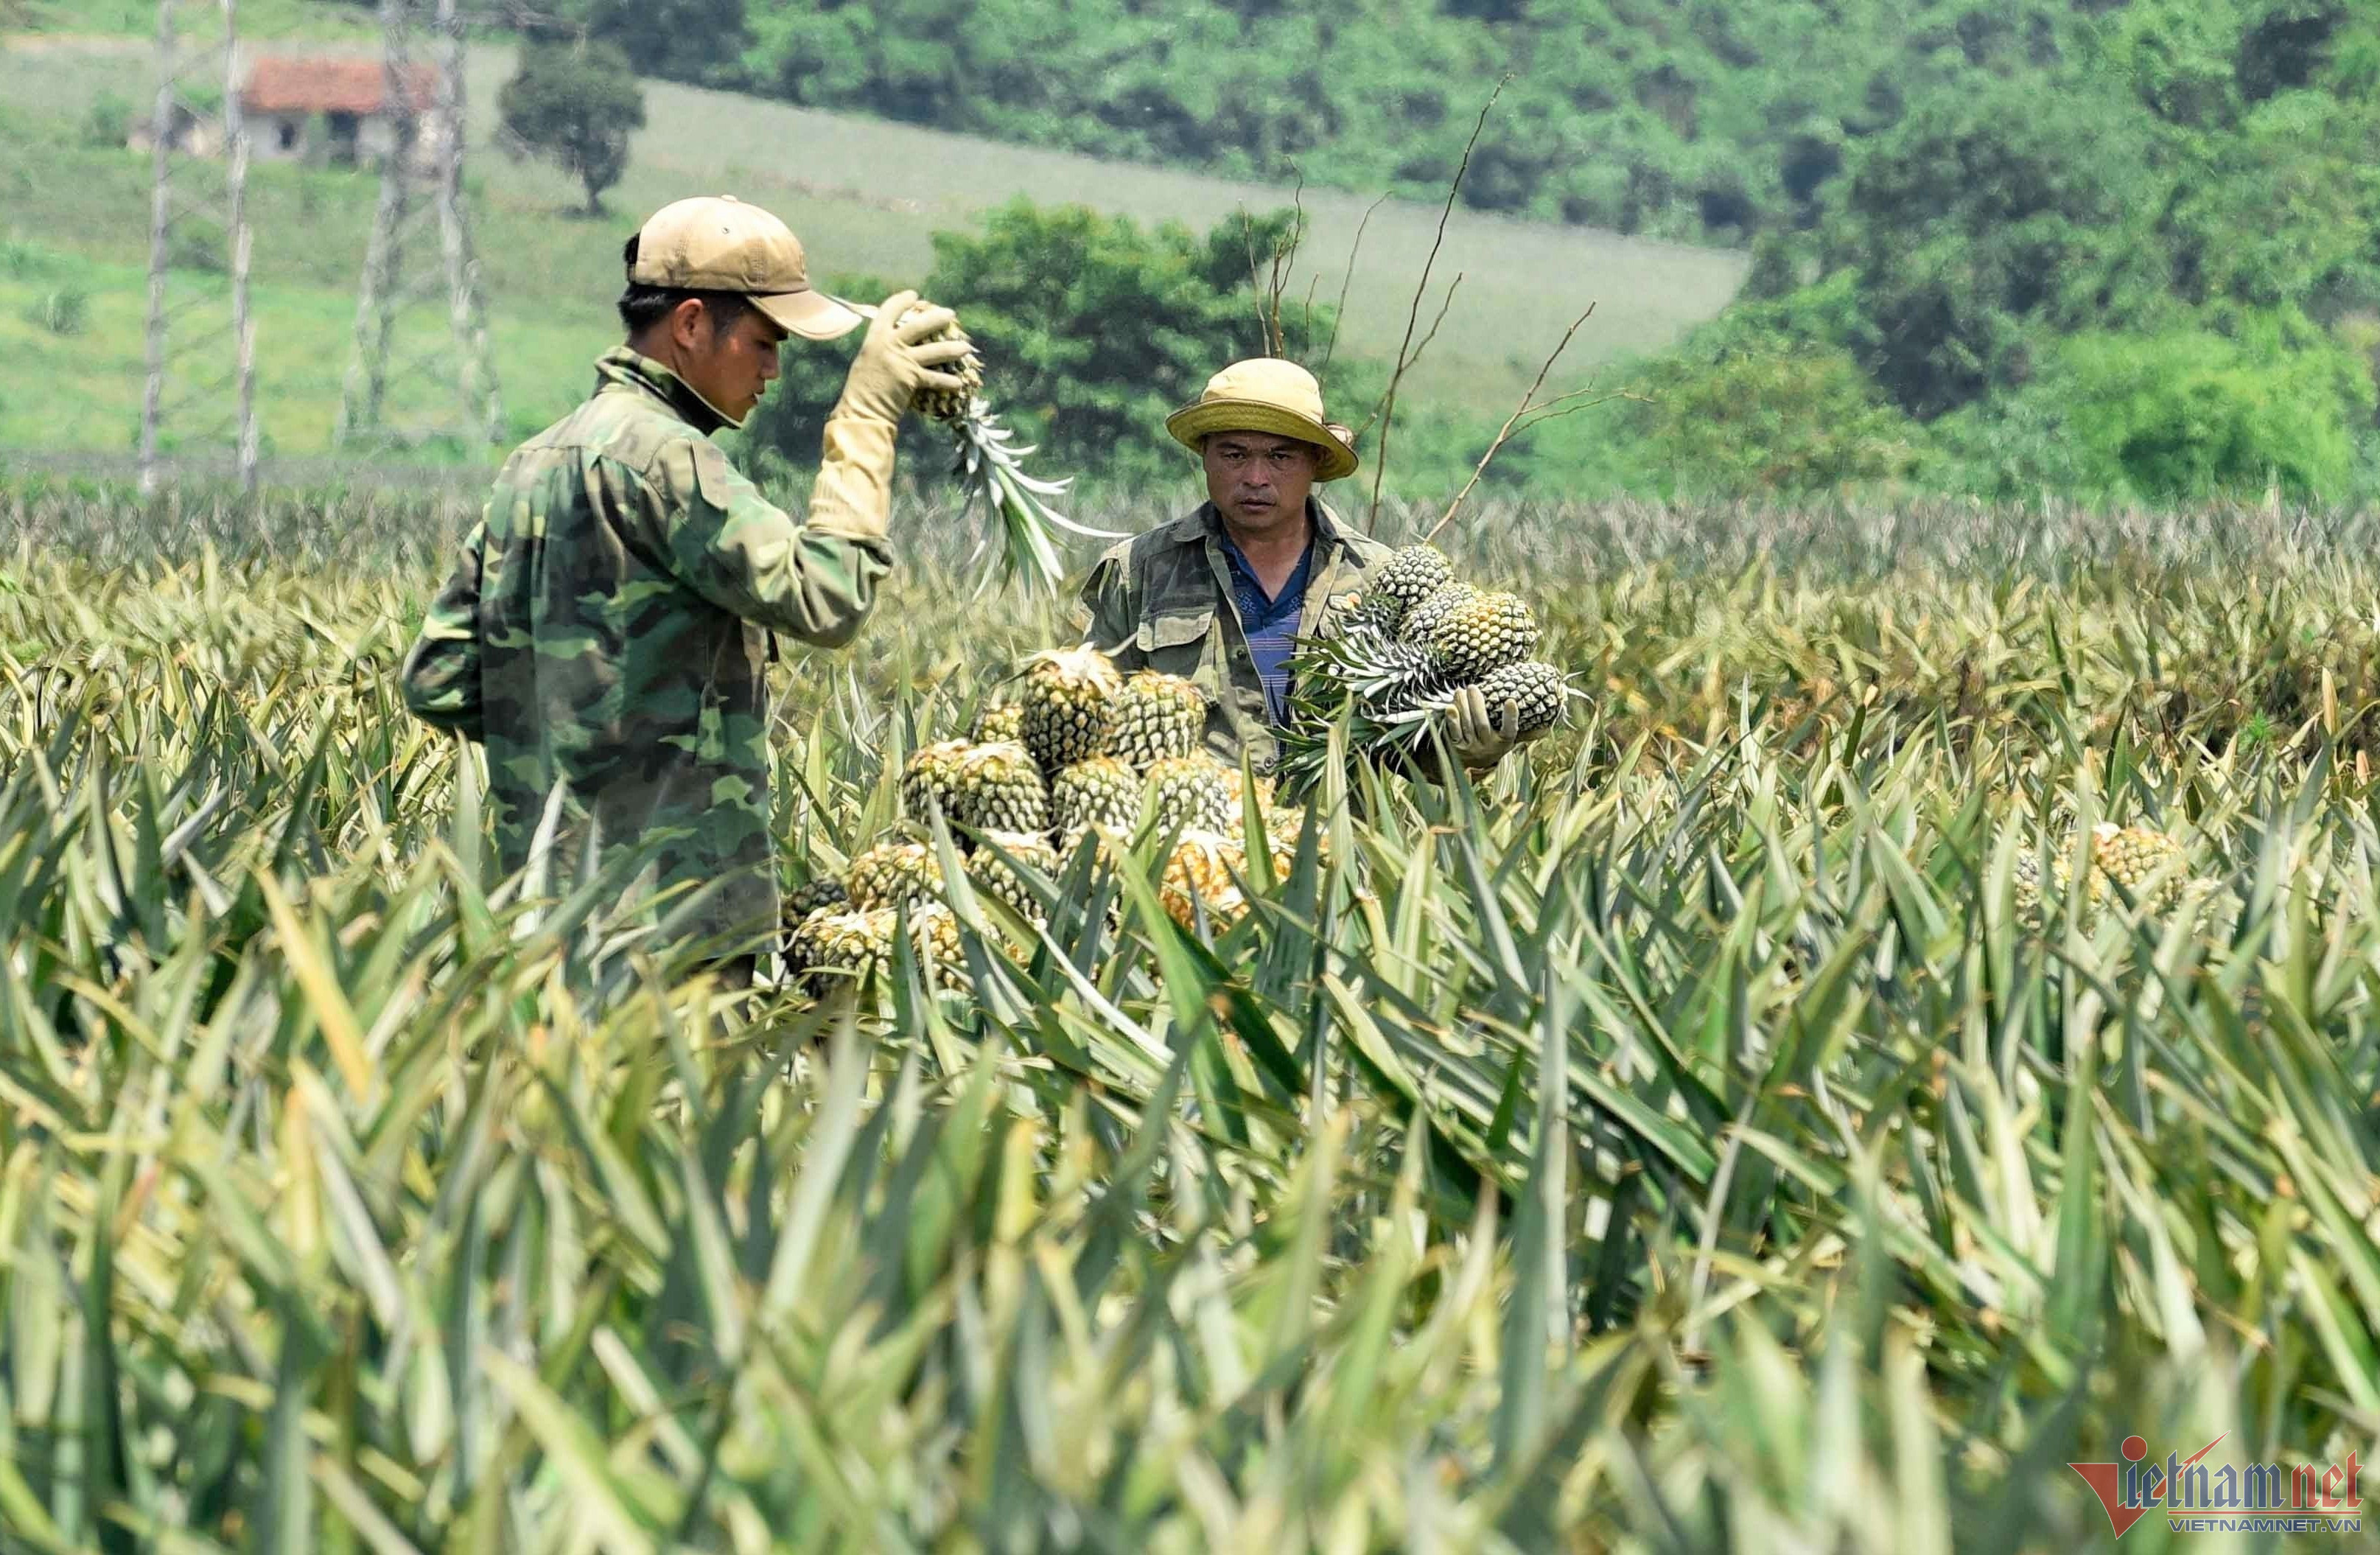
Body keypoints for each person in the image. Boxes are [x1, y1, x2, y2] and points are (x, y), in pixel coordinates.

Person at [399, 195, 970, 982]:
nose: (772, 371)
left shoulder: (534, 461)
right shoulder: (667, 460)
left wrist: (572, 742)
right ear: (693, 324)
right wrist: (867, 416)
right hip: (670, 924)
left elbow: (436, 679)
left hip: (546, 916)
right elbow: (828, 597)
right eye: (764, 343)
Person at [1078, 357, 1540, 775]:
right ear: (1206, 457)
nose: (1255, 477)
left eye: (1280, 456)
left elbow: (1410, 748)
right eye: (1234, 454)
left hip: (1336, 852)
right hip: (1195, 854)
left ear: (1314, 463)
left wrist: (1470, 753)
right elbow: (1096, 725)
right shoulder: (1138, 570)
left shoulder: (1381, 578)